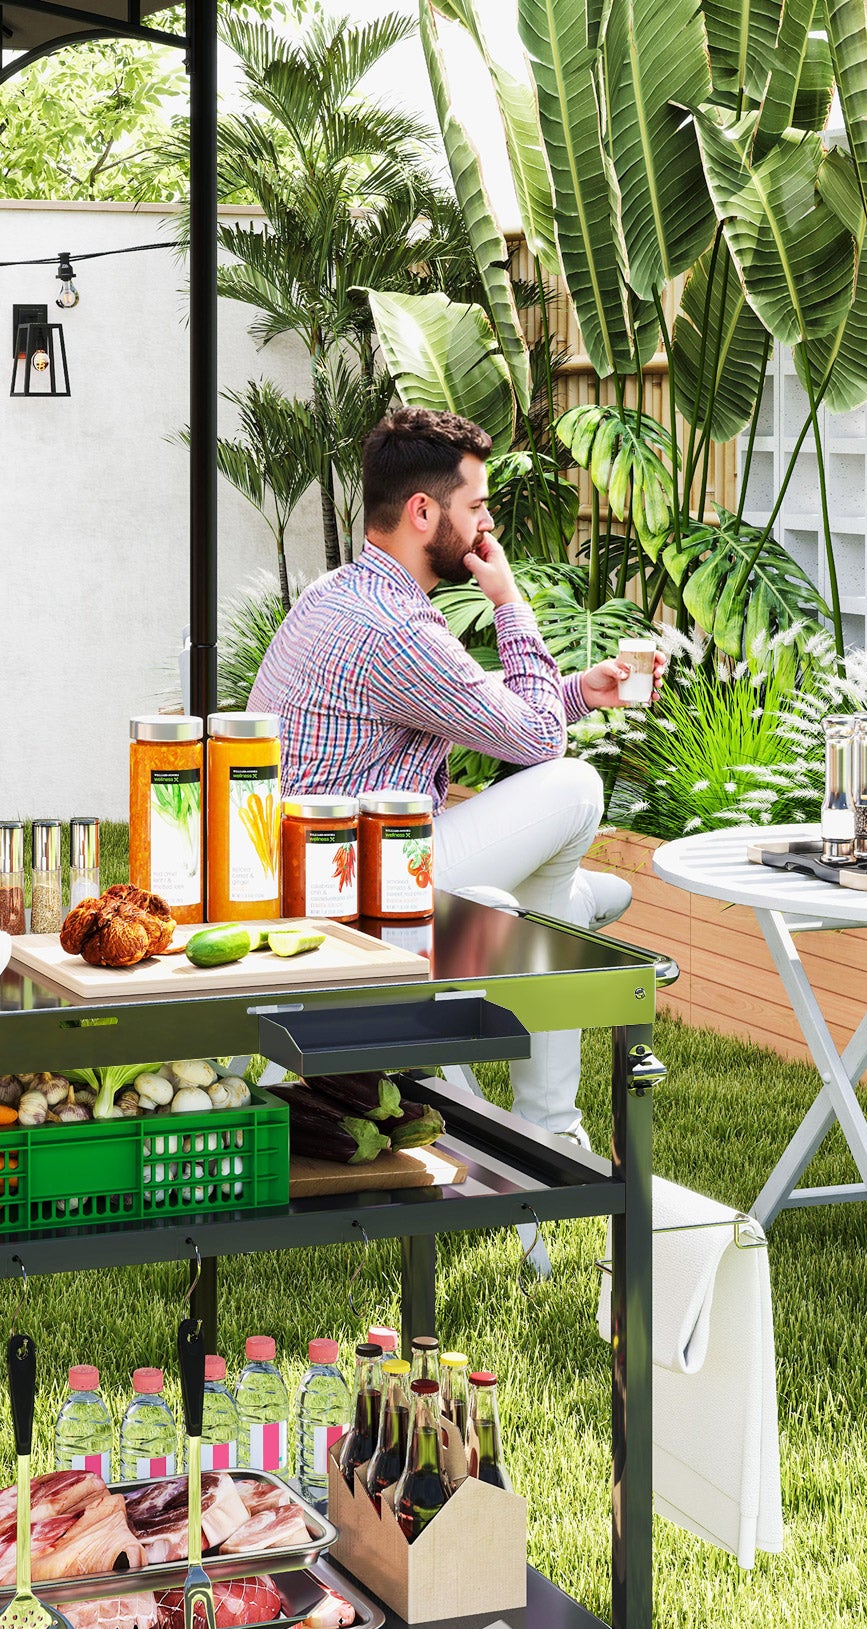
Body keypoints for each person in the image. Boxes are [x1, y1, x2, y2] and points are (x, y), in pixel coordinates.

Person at [249, 406, 659, 1142]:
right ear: (421, 510)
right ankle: (552, 1116)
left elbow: (485, 712)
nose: (486, 529)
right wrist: (509, 602)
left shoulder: (344, 595)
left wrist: (576, 693)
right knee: (576, 787)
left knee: (535, 892)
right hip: (354, 896)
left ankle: (547, 901)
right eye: (476, 508)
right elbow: (537, 744)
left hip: (316, 873)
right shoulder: (399, 630)